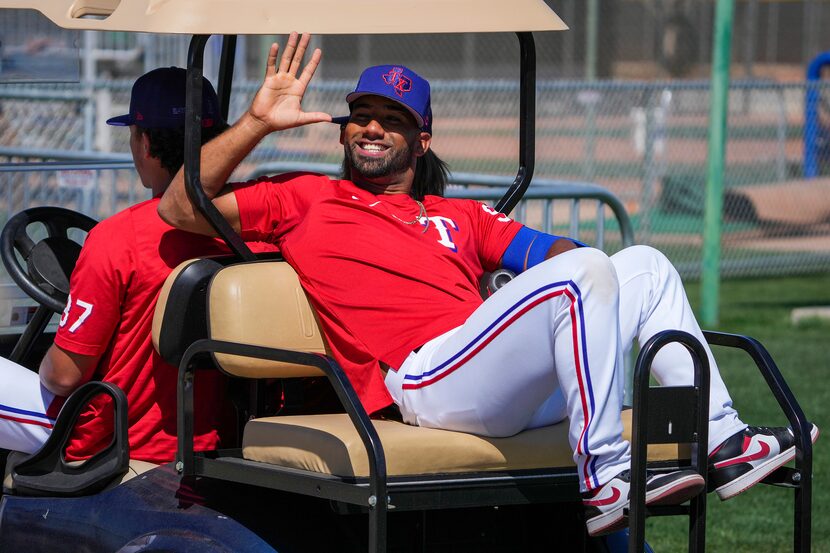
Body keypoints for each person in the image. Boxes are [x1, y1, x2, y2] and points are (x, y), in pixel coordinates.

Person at [158, 33, 818, 536]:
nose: (372, 127)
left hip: (494, 378)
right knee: (582, 277)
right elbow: (182, 208)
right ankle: (607, 476)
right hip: (422, 381)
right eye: (361, 113)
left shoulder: (459, 216)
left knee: (645, 263)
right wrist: (256, 125)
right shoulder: (307, 198)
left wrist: (544, 290)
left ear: (422, 139)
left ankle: (724, 438)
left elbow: (565, 252)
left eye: (393, 118)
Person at [0, 67, 273, 464]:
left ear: (144, 142)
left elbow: (62, 377)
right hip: (224, 433)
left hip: (114, 438)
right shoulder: (259, 230)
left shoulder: (118, 238)